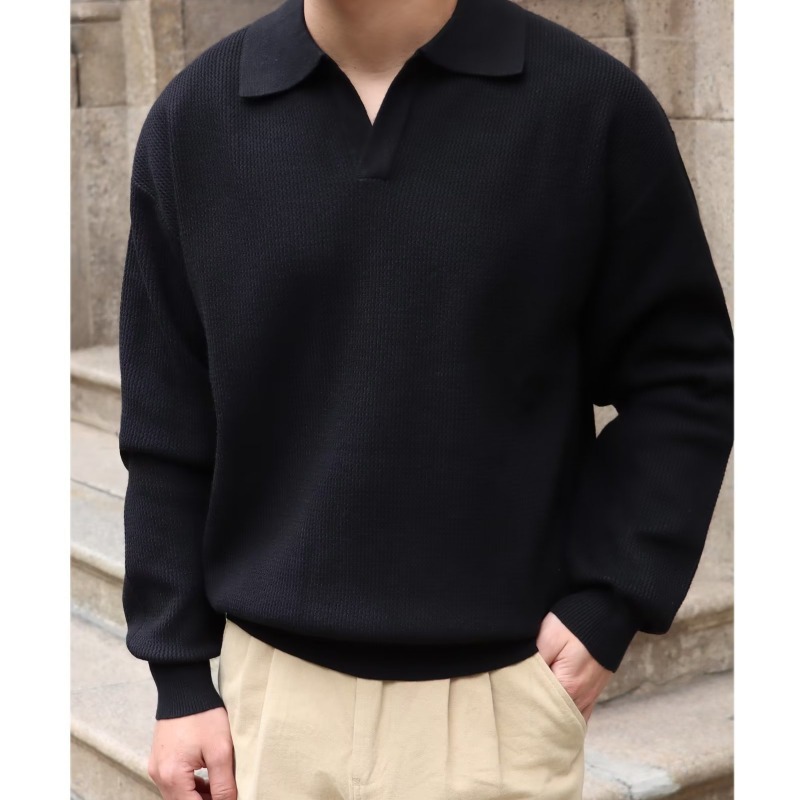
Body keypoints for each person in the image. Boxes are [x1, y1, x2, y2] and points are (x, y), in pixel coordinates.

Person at [116, 0, 734, 797]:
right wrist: (177, 675)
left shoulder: (590, 108)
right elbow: (167, 426)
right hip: (265, 710)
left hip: (498, 705)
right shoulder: (194, 120)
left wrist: (612, 598)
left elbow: (683, 377)